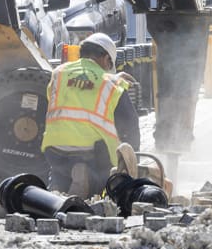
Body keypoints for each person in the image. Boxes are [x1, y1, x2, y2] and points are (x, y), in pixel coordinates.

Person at [40, 32, 140, 197]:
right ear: (107, 59)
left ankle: (57, 187)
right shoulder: (112, 84)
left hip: (54, 151)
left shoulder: (58, 73)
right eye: (109, 65)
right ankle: (88, 179)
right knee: (105, 180)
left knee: (60, 172)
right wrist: (133, 157)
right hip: (89, 155)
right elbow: (130, 123)